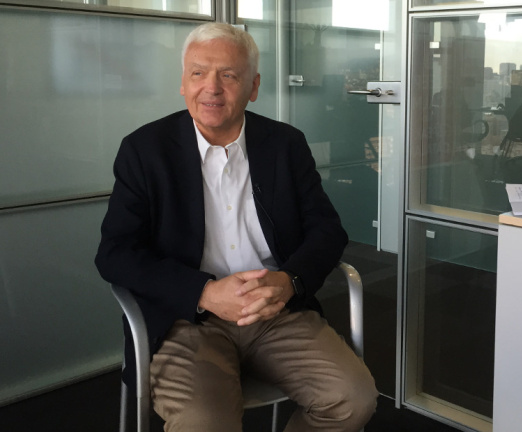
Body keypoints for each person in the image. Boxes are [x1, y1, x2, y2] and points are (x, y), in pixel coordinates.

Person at [95, 22, 378, 432]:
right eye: (198, 73)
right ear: (183, 83)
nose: (211, 88)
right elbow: (115, 253)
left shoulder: (284, 144)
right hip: (186, 320)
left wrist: (289, 281)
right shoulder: (145, 150)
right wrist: (204, 292)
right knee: (204, 424)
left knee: (353, 399)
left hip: (276, 310)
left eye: (228, 75)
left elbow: (327, 230)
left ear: (254, 86)